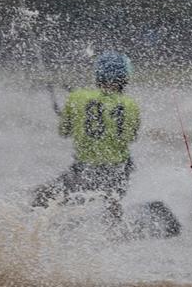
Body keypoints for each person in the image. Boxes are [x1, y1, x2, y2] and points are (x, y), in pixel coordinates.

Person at [31, 51, 140, 218]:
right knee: (112, 202)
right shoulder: (131, 105)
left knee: (41, 197)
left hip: (84, 173)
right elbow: (131, 137)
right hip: (118, 175)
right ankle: (114, 223)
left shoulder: (77, 97)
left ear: (98, 75)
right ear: (125, 78)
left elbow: (64, 131)